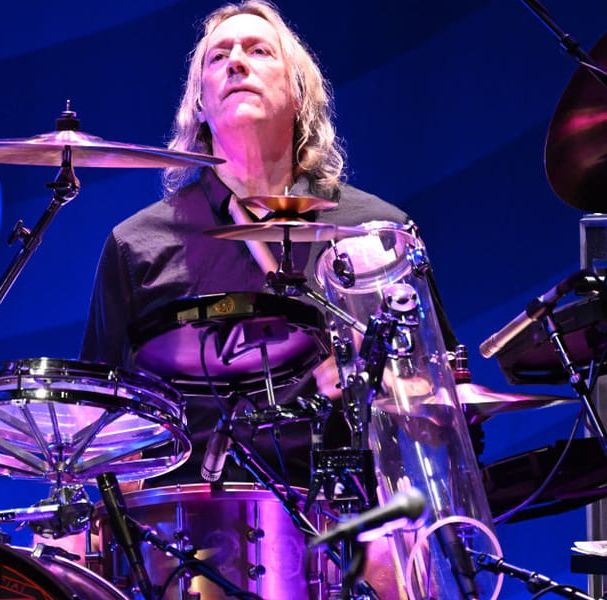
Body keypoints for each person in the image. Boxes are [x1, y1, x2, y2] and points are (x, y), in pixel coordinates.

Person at [81, 0, 460, 492]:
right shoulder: (138, 245)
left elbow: (445, 404)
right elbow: (101, 421)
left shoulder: (377, 230)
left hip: (353, 517)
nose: (236, 62)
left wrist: (380, 384)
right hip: (190, 522)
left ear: (299, 94)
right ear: (199, 104)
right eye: (219, 57)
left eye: (259, 51)